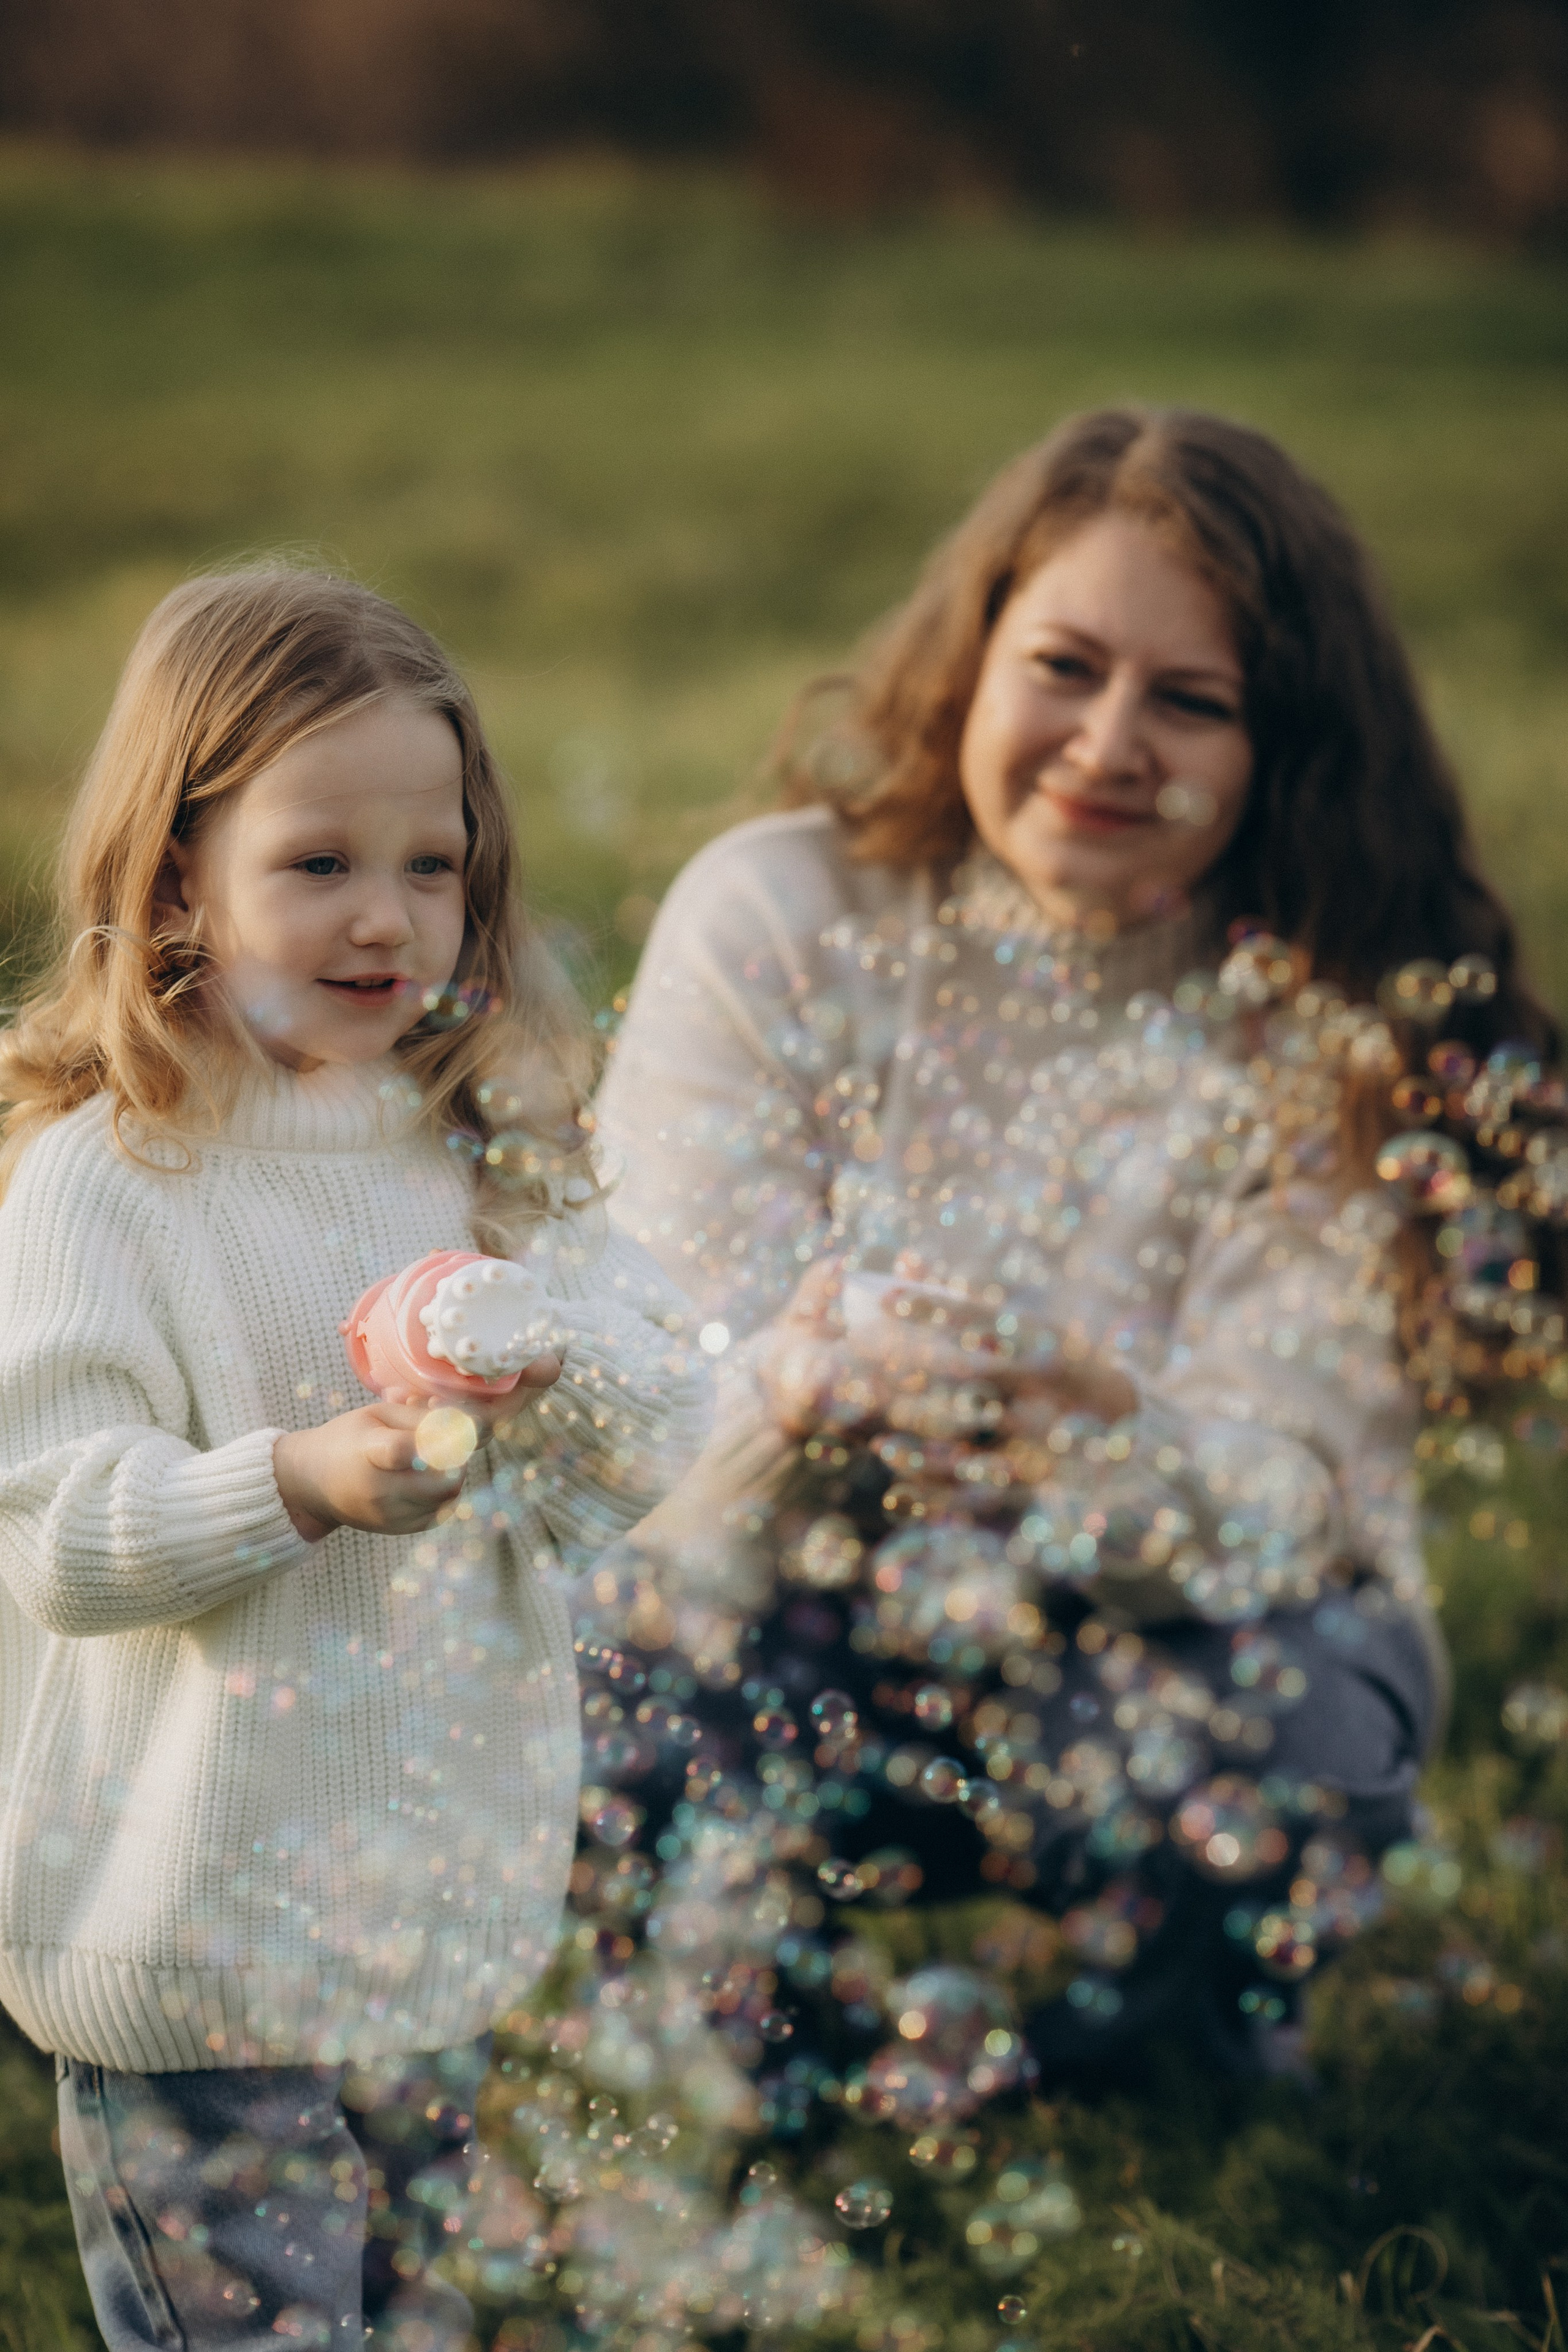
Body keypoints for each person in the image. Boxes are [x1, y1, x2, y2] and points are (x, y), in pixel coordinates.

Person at [590, 406, 1556, 2090]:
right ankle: (751, 2045)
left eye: (1193, 701)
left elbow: (1293, 1501)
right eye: (1066, 664)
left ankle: (1163, 2059)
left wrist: (1102, 1434)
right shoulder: (779, 920)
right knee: (553, 1646)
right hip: (788, 1624)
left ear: (1285, 749)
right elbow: (631, 1418)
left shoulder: (1325, 1027)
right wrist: (794, 1388)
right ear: (970, 661)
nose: (1111, 744)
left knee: (1294, 1736)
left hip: (1174, 1651)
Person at [0, 567, 707, 2350]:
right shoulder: (113, 1178)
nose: (386, 917)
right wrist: (294, 1481)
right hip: (192, 1938)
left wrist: (549, 1369)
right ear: (177, 871)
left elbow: (636, 1461)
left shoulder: (478, 1156)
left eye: (432, 861)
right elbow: (60, 1538)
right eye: (318, 863)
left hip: (425, 1920)